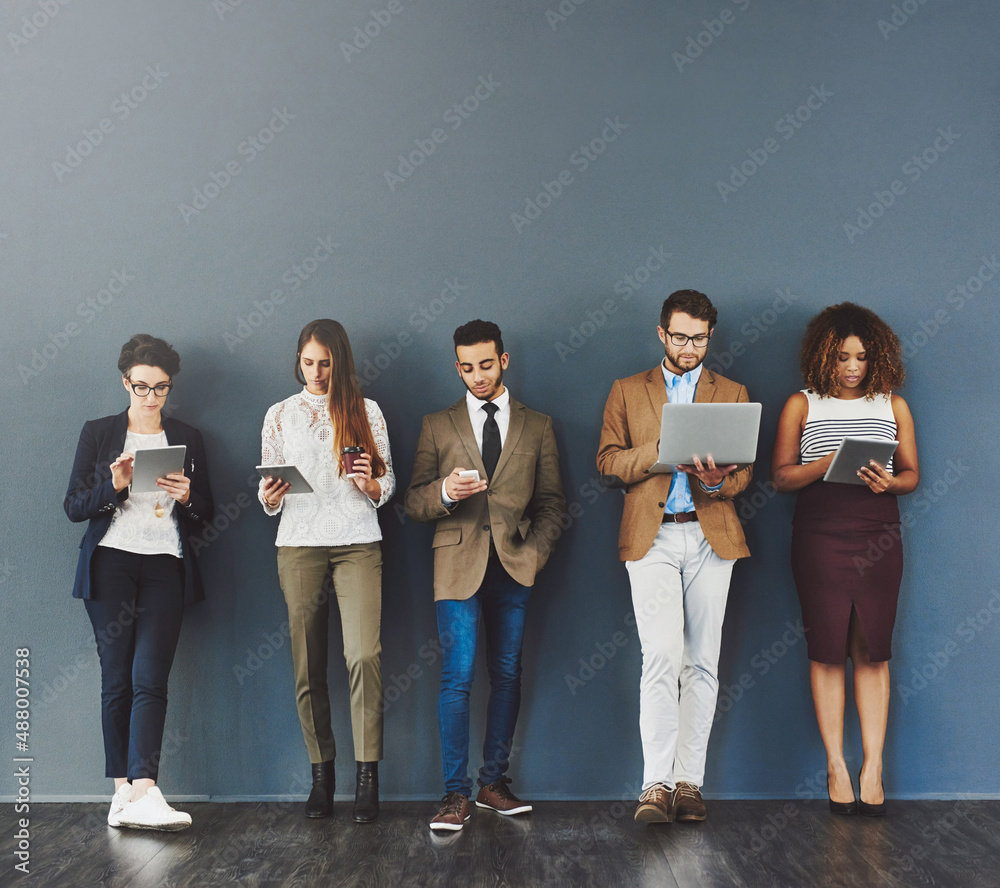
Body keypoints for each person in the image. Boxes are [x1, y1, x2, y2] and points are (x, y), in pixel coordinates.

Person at [404, 320, 567, 832]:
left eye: (486, 365)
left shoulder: (537, 425)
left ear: (504, 361)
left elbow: (553, 504)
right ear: (457, 366)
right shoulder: (437, 424)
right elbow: (412, 501)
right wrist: (447, 493)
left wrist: (533, 554)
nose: (477, 376)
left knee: (507, 675)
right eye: (467, 368)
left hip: (515, 565)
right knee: (457, 676)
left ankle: (493, 783)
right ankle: (455, 795)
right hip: (456, 565)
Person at [597, 290, 753, 824]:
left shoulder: (731, 392)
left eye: (700, 338)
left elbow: (747, 471)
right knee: (661, 657)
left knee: (702, 663)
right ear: (662, 334)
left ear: (711, 335)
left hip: (712, 536)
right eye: (681, 337)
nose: (690, 347)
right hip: (653, 537)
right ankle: (654, 785)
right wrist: (661, 449)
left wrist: (721, 479)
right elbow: (608, 462)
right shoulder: (627, 389)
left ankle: (689, 783)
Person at [772, 303, 918, 817]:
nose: (852, 367)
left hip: (878, 531)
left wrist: (889, 481)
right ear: (823, 357)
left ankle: (872, 767)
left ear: (875, 357)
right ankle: (836, 765)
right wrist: (826, 464)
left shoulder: (892, 405)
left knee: (873, 650)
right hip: (819, 535)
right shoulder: (801, 404)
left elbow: (913, 476)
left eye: (861, 356)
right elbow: (781, 478)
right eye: (841, 357)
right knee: (827, 648)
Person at [65, 334, 214, 831]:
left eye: (161, 388)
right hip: (111, 562)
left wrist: (188, 495)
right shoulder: (99, 432)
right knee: (117, 680)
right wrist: (114, 486)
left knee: (151, 678)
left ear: (170, 388)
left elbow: (206, 512)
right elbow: (73, 507)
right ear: (124, 381)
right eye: (141, 387)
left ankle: (145, 789)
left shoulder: (188, 437)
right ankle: (121, 794)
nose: (150, 398)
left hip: (164, 564)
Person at [259, 319, 395, 823]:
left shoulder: (366, 411)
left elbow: (389, 480)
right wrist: (268, 497)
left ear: (341, 362)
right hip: (298, 543)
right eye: (308, 362)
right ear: (298, 361)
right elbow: (268, 482)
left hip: (358, 541)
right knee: (307, 664)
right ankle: (321, 776)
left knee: (364, 655)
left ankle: (367, 779)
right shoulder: (279, 413)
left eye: (325, 363)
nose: (315, 372)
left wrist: (371, 483)